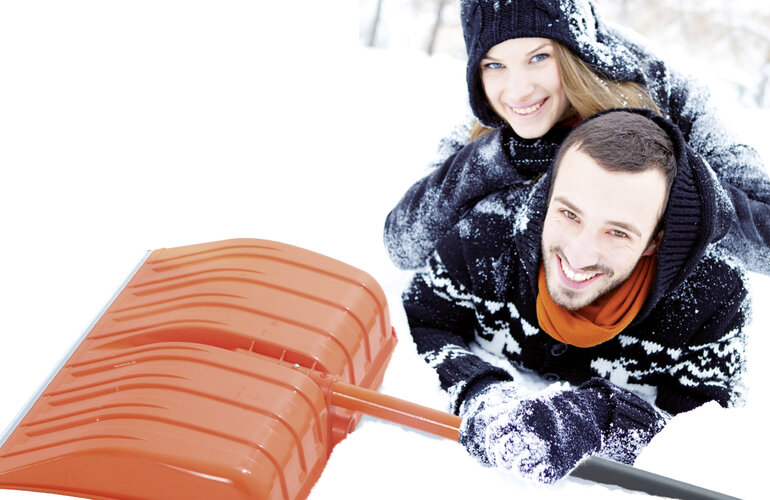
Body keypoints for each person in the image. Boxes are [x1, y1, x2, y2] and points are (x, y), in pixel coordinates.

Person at [402, 109, 748, 483]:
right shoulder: (488, 234)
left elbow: (707, 436)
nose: (580, 256)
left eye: (618, 233)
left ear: (655, 240)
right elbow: (416, 321)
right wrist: (478, 389)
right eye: (569, 214)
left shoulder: (712, 299)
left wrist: (604, 417)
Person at [384, 0, 770, 277]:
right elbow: (402, 242)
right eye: (495, 65)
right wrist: (498, 158)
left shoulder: (667, 91)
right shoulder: (495, 118)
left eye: (539, 57)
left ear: (574, 52)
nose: (517, 91)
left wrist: (664, 181)